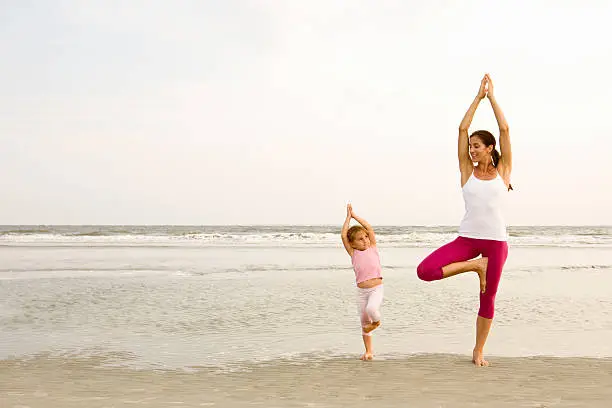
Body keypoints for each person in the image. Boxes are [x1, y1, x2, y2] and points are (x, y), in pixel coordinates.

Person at [416, 73, 513, 366]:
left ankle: (478, 351)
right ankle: (475, 266)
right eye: (470, 146)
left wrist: (492, 97)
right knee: (426, 270)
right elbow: (461, 128)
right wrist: (477, 97)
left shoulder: (504, 170)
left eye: (477, 146)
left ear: (490, 148)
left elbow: (505, 129)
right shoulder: (466, 170)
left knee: (488, 299)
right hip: (467, 240)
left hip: (496, 243)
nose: (471, 150)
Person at [341, 203, 384, 361]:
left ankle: (377, 323)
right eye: (360, 239)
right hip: (361, 292)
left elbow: (369, 228)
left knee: (372, 309)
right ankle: (368, 352)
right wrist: (347, 218)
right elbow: (343, 235)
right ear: (352, 243)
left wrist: (355, 216)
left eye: (366, 237)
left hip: (376, 289)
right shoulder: (353, 253)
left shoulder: (372, 247)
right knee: (364, 321)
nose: (365, 241)